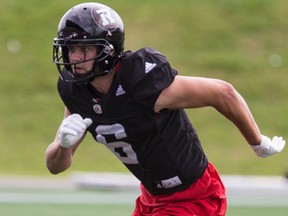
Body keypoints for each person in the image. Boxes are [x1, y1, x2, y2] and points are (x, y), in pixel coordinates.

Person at [45, 2, 286, 216]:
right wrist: (62, 146)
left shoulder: (140, 80)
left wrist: (257, 142)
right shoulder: (74, 91)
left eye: (84, 49)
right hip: (152, 199)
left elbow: (222, 92)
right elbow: (55, 166)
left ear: (108, 50)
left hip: (195, 196)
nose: (74, 58)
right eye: (70, 48)